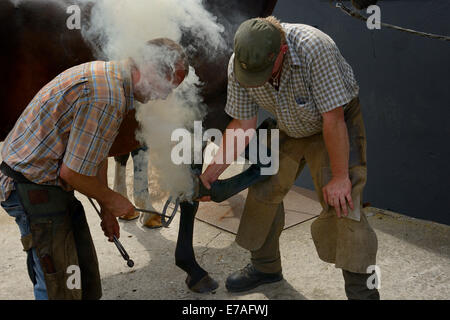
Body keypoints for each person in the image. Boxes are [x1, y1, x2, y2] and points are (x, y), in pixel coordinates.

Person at [199, 17, 379, 299]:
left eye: (264, 72)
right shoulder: (242, 62)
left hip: (333, 123)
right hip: (289, 123)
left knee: (344, 204)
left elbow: (333, 120)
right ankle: (266, 267)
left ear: (281, 50)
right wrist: (212, 172)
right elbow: (243, 125)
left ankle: (362, 294)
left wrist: (341, 177)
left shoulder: (314, 48)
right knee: (262, 189)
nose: (258, 79)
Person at [0, 38, 189, 300]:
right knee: (61, 288)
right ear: (148, 69)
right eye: (167, 86)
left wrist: (107, 209)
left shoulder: (113, 81)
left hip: (49, 183)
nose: (166, 95)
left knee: (85, 279)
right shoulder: (107, 96)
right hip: (30, 185)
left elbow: (95, 154)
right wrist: (114, 199)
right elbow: (72, 173)